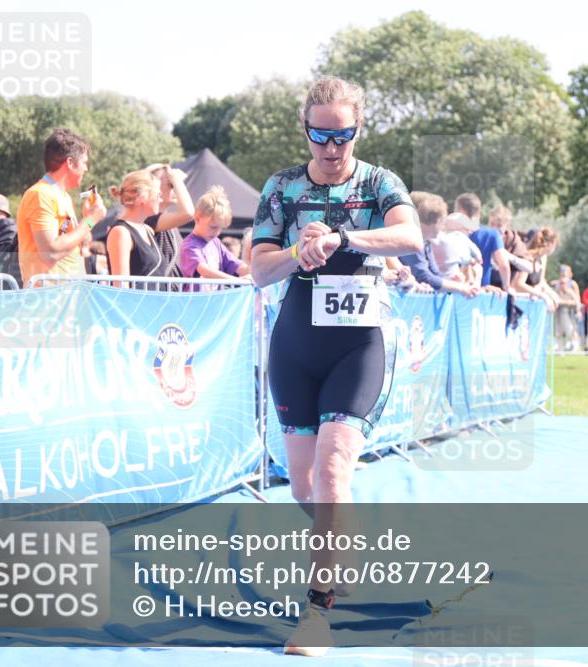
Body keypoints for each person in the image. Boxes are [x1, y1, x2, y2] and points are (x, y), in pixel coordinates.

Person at [249, 77, 423, 657]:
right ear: (306, 130)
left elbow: (411, 235)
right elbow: (259, 270)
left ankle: (318, 615)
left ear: (357, 131)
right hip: (296, 345)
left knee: (331, 471)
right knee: (306, 487)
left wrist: (348, 237)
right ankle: (339, 534)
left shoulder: (378, 181)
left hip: (357, 347)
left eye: (341, 135)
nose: (331, 147)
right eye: (320, 135)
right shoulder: (280, 187)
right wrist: (301, 250)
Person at [17, 128, 106, 286]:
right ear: (70, 163)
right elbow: (50, 252)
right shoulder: (40, 194)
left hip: (66, 300)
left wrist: (87, 219)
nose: (87, 169)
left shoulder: (63, 196)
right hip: (47, 302)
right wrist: (90, 220)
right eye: (85, 162)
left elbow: (68, 244)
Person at [398, 193, 477, 297]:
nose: (444, 226)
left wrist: (453, 283)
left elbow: (435, 273)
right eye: (443, 221)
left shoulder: (426, 242)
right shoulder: (410, 238)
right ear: (437, 221)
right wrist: (460, 288)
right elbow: (423, 277)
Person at [180, 186, 251, 291]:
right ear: (198, 217)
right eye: (213, 227)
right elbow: (204, 270)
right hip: (194, 304)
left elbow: (236, 265)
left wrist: (255, 271)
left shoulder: (215, 242)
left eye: (220, 228)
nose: (217, 232)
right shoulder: (189, 246)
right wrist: (237, 281)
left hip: (212, 303)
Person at [106, 170, 166, 287]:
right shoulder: (121, 232)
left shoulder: (148, 230)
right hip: (136, 304)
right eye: (158, 195)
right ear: (142, 197)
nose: (161, 199)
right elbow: (121, 287)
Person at [445, 193, 512, 293]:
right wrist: (507, 287)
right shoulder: (492, 234)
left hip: (453, 289)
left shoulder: (450, 233)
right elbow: (504, 264)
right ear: (478, 212)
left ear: (460, 211)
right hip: (481, 292)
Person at [143, 163, 195, 288]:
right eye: (170, 184)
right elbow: (188, 212)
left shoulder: (170, 225)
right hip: (160, 297)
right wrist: (176, 180)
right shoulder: (148, 219)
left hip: (172, 296)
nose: (174, 188)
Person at [517, 227, 559, 311]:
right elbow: (518, 284)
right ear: (550, 244)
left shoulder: (542, 258)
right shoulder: (528, 257)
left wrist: (551, 293)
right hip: (519, 304)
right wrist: (542, 295)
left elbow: (541, 281)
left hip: (531, 306)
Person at [552, 264, 581, 353]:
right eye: (562, 271)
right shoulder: (556, 283)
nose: (563, 273)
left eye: (565, 271)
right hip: (559, 309)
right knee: (559, 328)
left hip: (570, 309)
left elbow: (577, 297)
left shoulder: (572, 284)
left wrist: (578, 310)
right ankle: (560, 345)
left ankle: (574, 344)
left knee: (571, 328)